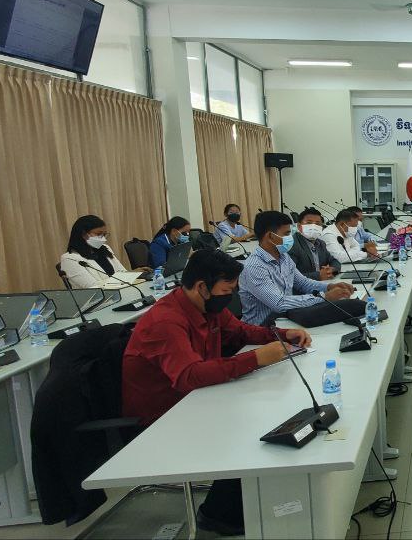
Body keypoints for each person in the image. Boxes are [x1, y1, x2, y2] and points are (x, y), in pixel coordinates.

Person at [121, 249, 311, 535]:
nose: (230, 296)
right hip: (166, 416)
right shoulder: (166, 321)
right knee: (252, 429)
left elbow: (241, 331)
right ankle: (219, 514)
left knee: (267, 409)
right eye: (226, 290)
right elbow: (188, 376)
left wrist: (283, 335)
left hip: (198, 398)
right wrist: (256, 358)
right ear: (202, 287)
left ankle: (244, 499)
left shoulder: (206, 307)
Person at [239, 211, 356, 327]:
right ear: (270, 236)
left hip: (286, 319)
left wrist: (329, 287)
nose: (290, 238)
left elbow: (303, 283)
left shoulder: (283, 257)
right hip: (261, 328)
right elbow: (279, 303)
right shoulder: (255, 266)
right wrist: (326, 296)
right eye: (286, 234)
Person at [60, 215, 144, 289]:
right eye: (98, 234)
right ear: (83, 234)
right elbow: (93, 287)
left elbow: (121, 272)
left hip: (121, 292)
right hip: (98, 300)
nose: (103, 238)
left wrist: (134, 273)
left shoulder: (105, 249)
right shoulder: (69, 259)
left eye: (104, 235)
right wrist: (125, 278)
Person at [287, 207, 340, 280]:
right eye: (309, 223)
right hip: (304, 287)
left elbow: (334, 261)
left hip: (322, 283)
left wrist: (332, 269)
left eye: (318, 224)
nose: (314, 226)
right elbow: (290, 276)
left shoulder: (321, 243)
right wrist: (318, 276)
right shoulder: (292, 245)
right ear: (299, 226)